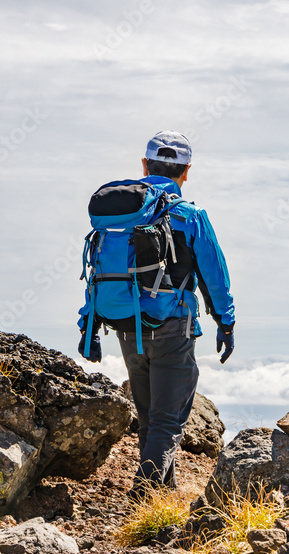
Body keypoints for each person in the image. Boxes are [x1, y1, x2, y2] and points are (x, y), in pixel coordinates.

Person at [78, 130, 236, 500]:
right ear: (187, 171)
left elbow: (97, 268)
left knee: (150, 417)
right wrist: (225, 322)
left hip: (125, 324)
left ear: (145, 165)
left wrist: (89, 322)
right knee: (168, 420)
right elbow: (215, 275)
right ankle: (143, 493)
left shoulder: (121, 216)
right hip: (171, 326)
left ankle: (160, 498)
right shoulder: (189, 215)